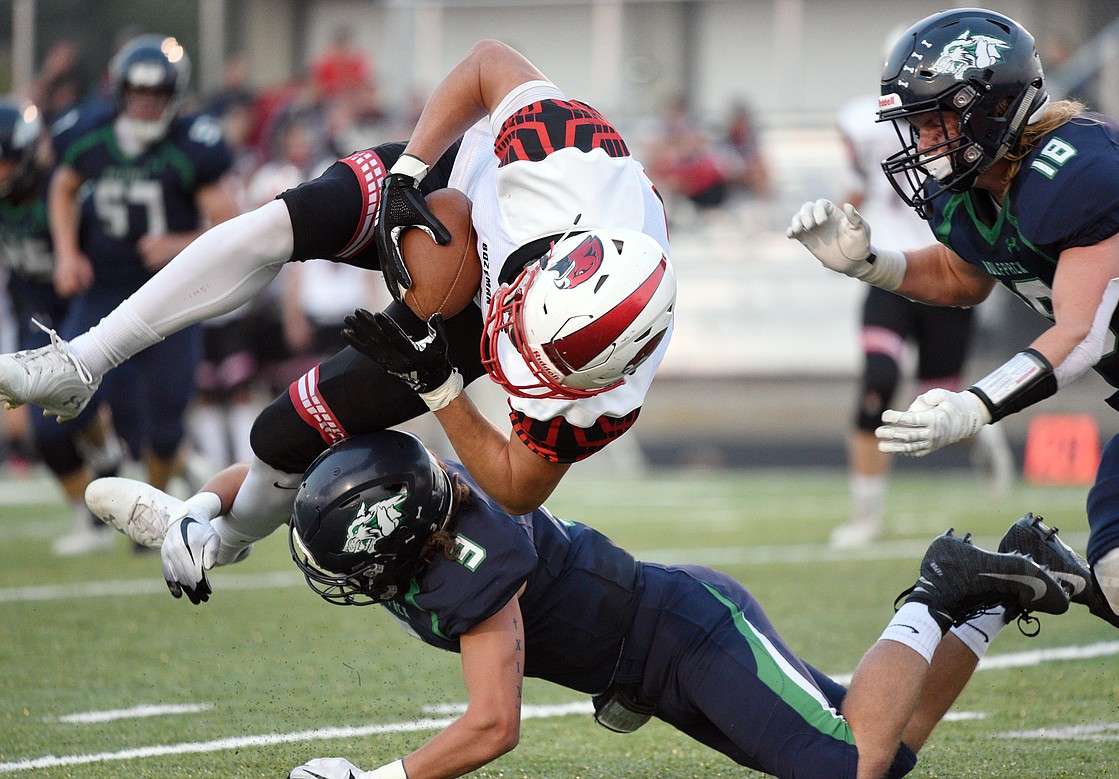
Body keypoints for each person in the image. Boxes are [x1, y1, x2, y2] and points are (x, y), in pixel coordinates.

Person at [0, 40, 675, 603]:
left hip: (461, 324)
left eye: (532, 351)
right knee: (278, 224)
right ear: (557, 261)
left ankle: (217, 536)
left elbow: (513, 485)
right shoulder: (560, 159)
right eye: (524, 318)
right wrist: (411, 169)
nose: (517, 337)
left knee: (285, 431)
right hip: (459, 186)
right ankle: (79, 361)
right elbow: (486, 64)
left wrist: (444, 391)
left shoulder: (598, 398)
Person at [85, 428, 1072, 779]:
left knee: (847, 771)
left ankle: (939, 578)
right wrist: (206, 514)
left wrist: (376, 777)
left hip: (687, 637)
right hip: (649, 656)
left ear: (414, 540)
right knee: (880, 752)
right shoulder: (404, 489)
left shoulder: (479, 564)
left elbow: (492, 724)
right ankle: (988, 592)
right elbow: (287, 474)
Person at [786, 7, 1119, 631]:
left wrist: (974, 406)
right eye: (917, 123)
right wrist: (872, 264)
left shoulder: (1078, 169)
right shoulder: (975, 184)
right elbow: (964, 274)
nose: (924, 142)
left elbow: (1080, 333)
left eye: (936, 121)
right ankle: (1070, 575)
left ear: (991, 107)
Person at [38, 34, 237, 548]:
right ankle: (107, 471)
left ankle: (153, 514)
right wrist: (67, 253)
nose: (147, 103)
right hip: (104, 286)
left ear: (175, 93)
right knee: (71, 391)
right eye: (138, 92)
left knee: (167, 416)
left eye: (157, 93)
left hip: (173, 290)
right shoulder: (89, 134)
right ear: (120, 90)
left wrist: (179, 242)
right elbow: (62, 186)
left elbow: (231, 222)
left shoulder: (193, 144)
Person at [830, 90, 1013, 548]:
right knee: (878, 380)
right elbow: (854, 189)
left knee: (937, 403)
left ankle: (980, 432)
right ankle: (866, 515)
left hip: (950, 273)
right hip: (889, 270)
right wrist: (834, 231)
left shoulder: (979, 129)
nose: (924, 134)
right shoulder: (862, 120)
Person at [0, 95, 128, 553]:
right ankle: (89, 517)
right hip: (34, 311)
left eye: (5, 161)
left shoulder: (67, 188)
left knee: (73, 410)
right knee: (46, 429)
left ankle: (111, 455)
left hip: (81, 307)